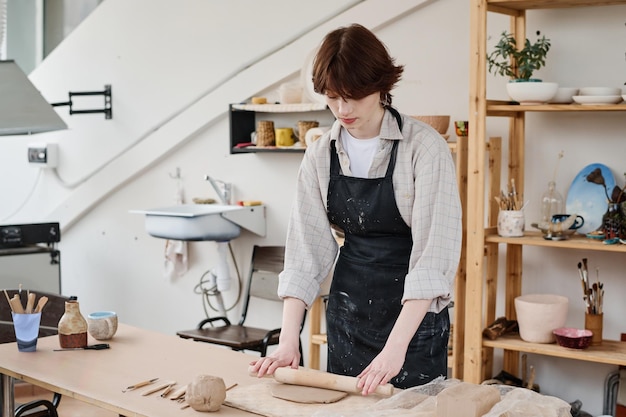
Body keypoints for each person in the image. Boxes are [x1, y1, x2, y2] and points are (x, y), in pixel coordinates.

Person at [251, 23, 461, 395]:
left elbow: (432, 261)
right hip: (348, 317)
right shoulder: (319, 155)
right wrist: (287, 341)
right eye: (332, 98)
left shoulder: (424, 149)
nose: (342, 109)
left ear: (381, 86)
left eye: (353, 96)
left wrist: (395, 351)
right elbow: (305, 254)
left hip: (412, 324)